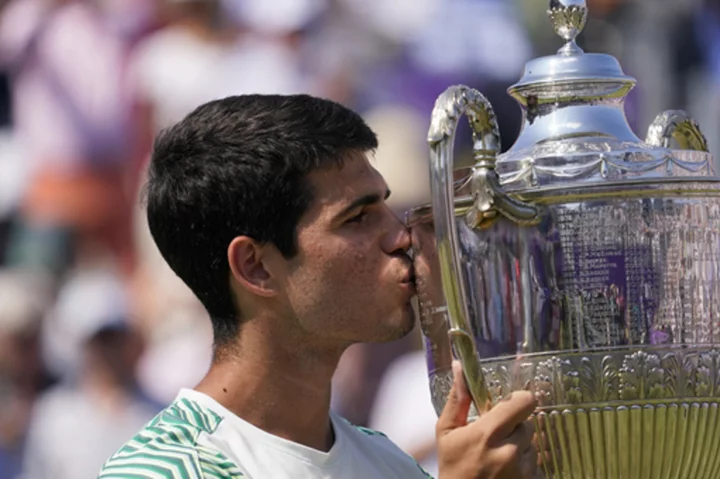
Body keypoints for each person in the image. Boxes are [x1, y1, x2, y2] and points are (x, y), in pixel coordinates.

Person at [98, 94, 538, 478]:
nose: (400, 235)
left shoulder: (388, 462)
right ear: (256, 267)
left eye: (385, 206)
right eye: (358, 218)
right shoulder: (163, 470)